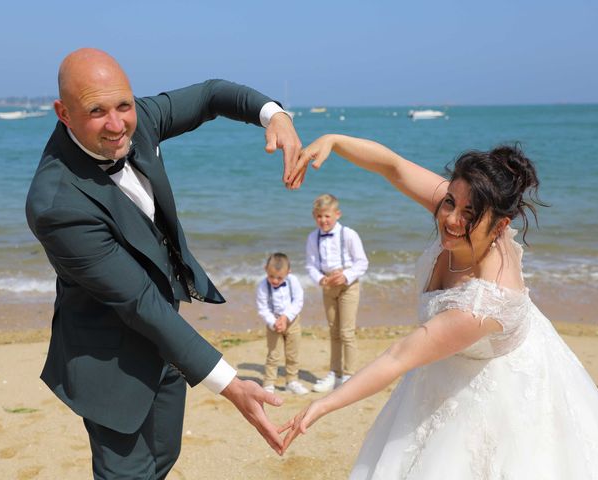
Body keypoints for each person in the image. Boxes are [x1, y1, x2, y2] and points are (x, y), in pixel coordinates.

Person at [25, 48, 303, 479]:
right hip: (108, 362)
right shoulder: (55, 204)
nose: (117, 125)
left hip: (168, 347)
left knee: (162, 461)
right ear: (63, 112)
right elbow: (138, 302)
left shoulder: (140, 119)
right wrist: (231, 384)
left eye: (124, 105)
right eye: (97, 111)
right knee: (129, 474)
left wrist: (274, 115)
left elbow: (212, 95)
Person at [282, 134, 598, 479]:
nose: (451, 219)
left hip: (501, 387)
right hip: (447, 366)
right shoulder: (462, 210)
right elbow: (393, 167)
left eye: (469, 213)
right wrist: (334, 141)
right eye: (449, 203)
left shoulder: (483, 304)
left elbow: (398, 357)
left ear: (501, 224)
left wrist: (323, 404)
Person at [305, 193, 368, 392]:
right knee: (333, 331)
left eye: (327, 216)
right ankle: (335, 373)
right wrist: (320, 279)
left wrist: (346, 276)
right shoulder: (313, 237)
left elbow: (362, 262)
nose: (323, 220)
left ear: (337, 214)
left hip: (348, 285)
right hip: (327, 285)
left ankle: (349, 375)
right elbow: (311, 265)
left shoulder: (349, 234)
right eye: (319, 217)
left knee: (346, 332)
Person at [256, 253, 308, 395]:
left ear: (288, 272)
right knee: (273, 354)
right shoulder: (262, 286)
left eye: (279, 277)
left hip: (292, 321)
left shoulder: (293, 281)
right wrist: (275, 323)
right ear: (265, 269)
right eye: (271, 276)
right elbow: (263, 308)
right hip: (273, 322)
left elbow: (298, 301)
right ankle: (268, 384)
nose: (275, 280)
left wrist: (286, 317)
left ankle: (292, 381)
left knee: (292, 353)